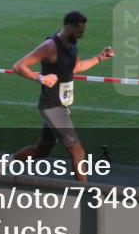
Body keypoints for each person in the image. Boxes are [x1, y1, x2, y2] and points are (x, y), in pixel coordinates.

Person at [11, 11, 113, 182]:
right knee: (78, 151)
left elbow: (76, 68)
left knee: (41, 151)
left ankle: (3, 162)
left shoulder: (72, 46)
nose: (81, 35)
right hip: (52, 107)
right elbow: (18, 66)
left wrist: (100, 58)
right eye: (79, 32)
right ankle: (86, 193)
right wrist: (41, 78)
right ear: (68, 27)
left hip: (61, 106)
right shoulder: (50, 46)